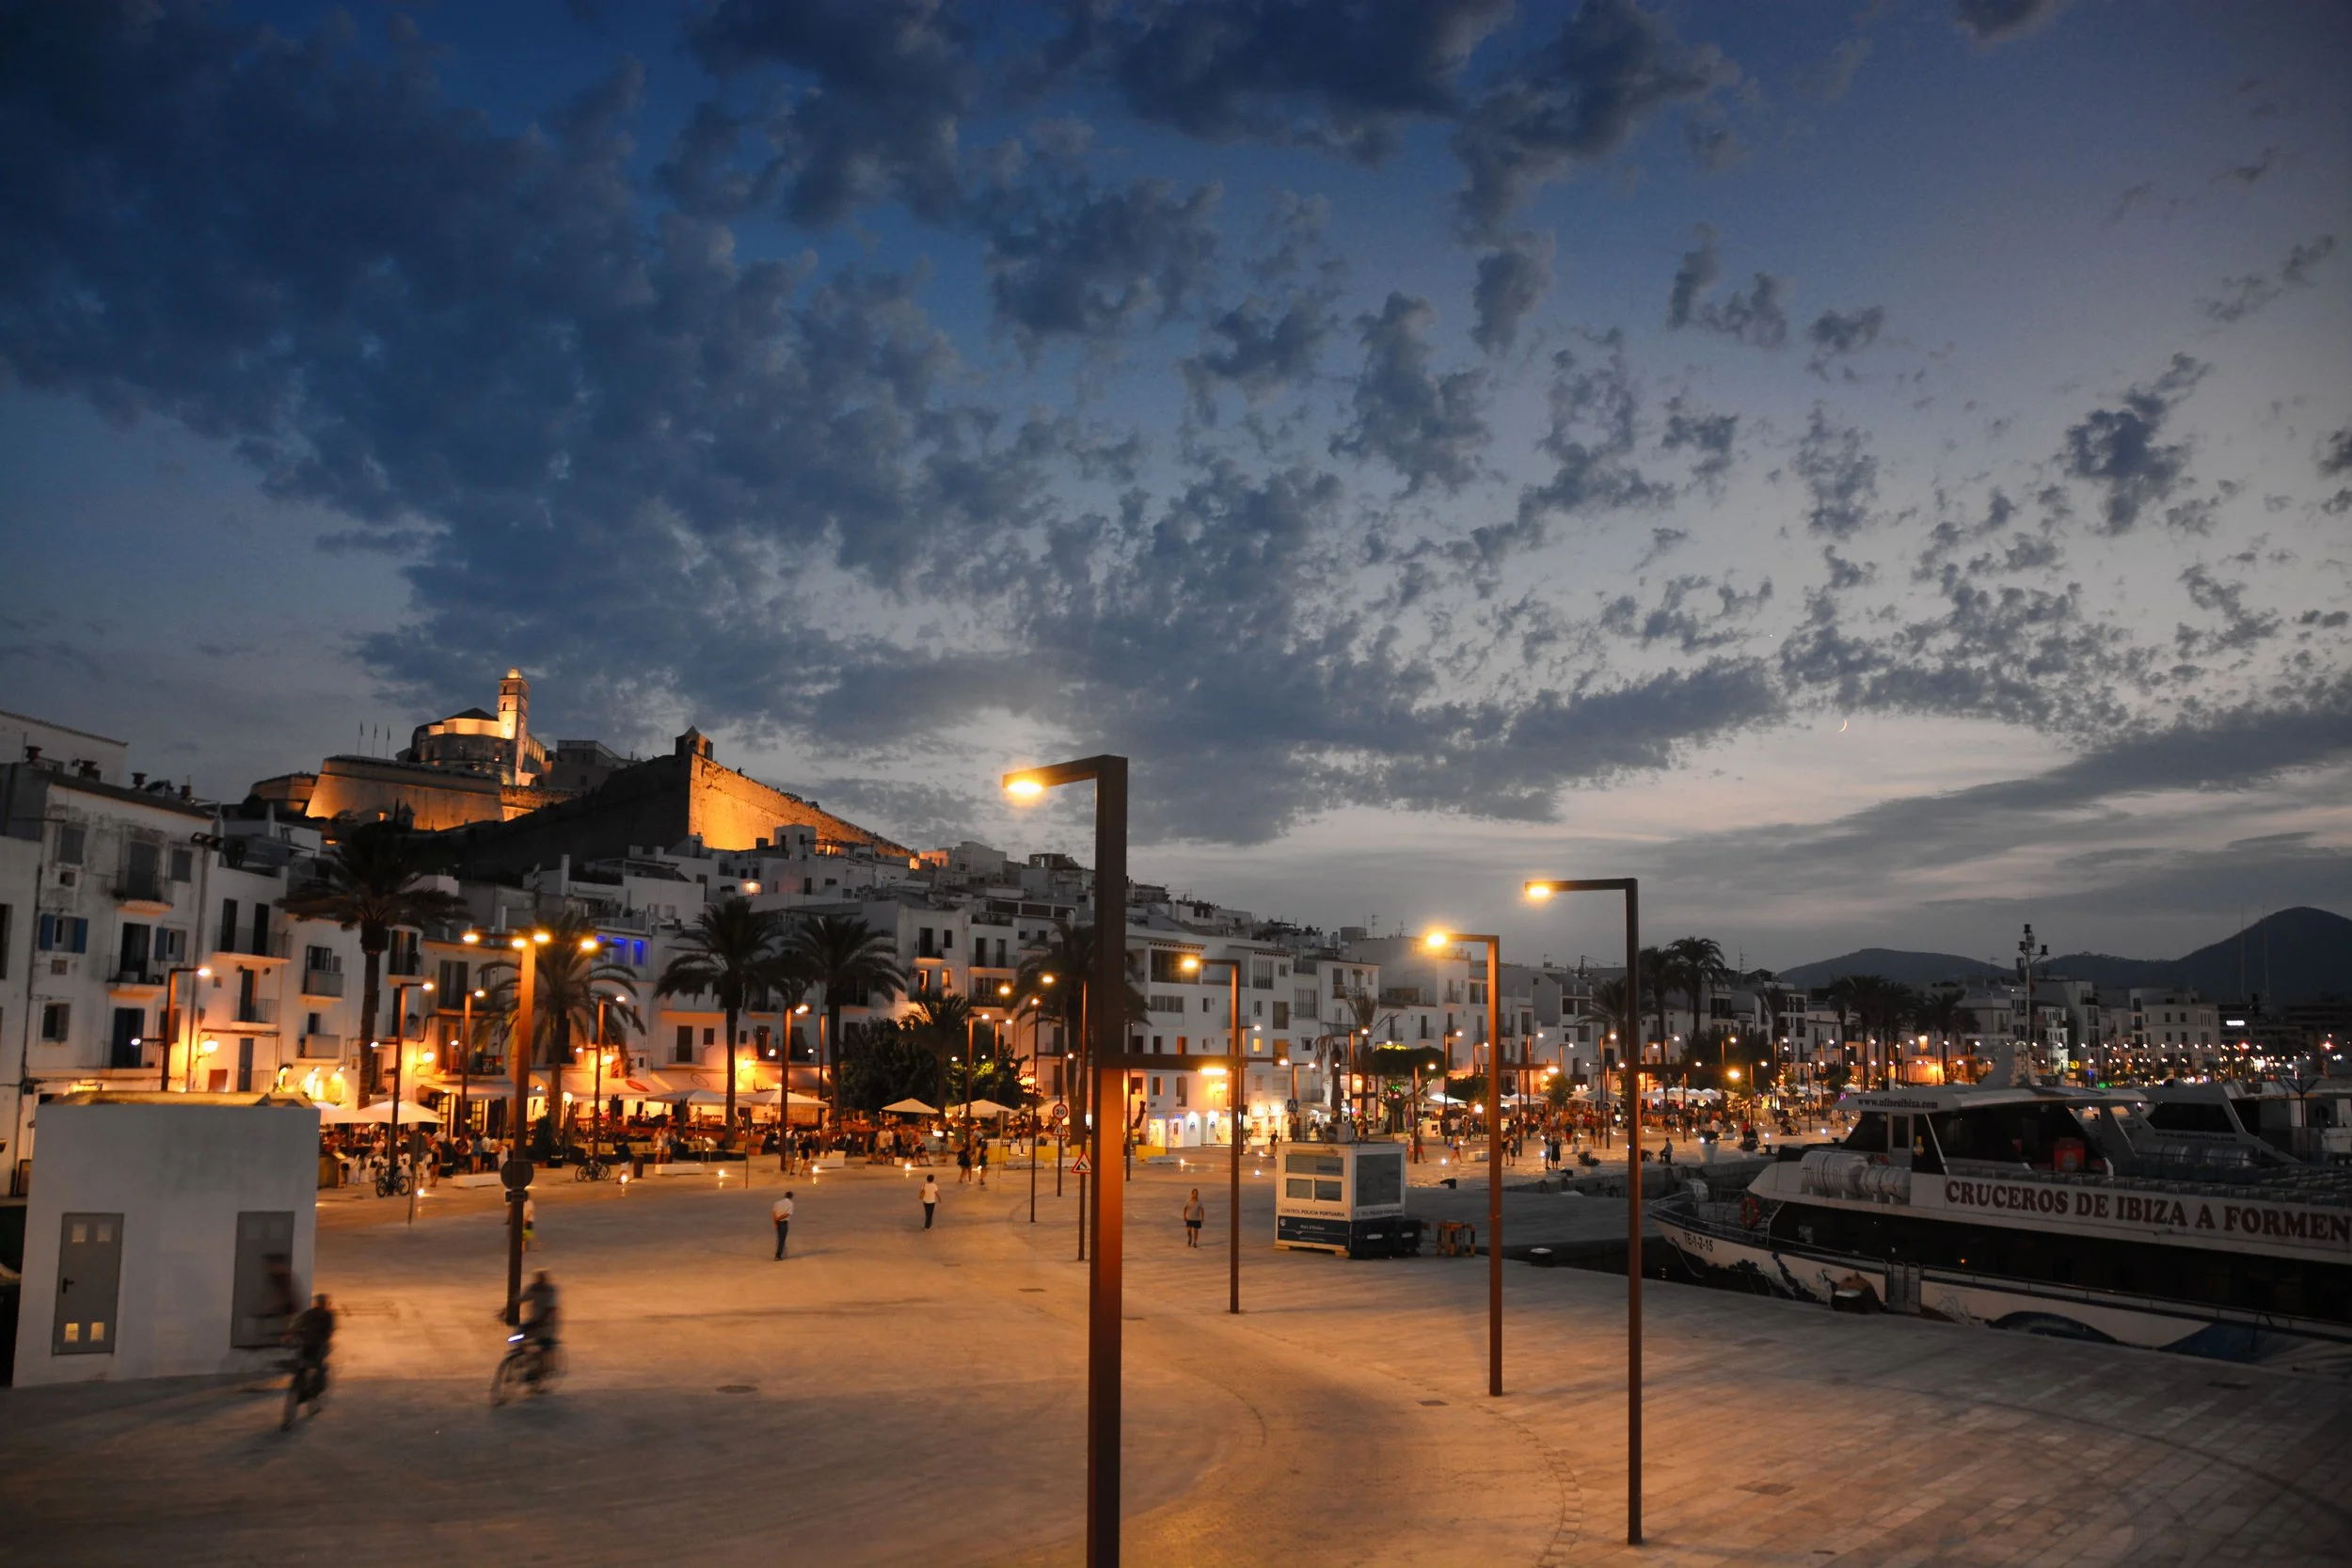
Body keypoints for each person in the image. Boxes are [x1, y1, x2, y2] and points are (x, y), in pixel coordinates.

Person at [519, 1271, 561, 1353]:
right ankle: (521, 1351)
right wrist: (505, 1310)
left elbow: (550, 1308)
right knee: (519, 1334)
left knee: (544, 1343)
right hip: (535, 1319)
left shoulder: (551, 1291)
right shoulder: (533, 1288)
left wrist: (540, 1322)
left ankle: (544, 1361)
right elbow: (521, 1299)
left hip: (548, 1323)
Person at [772, 1189, 795, 1259]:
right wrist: (779, 1218)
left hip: (777, 1222)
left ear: (785, 1196)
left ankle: (779, 1253)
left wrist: (775, 1222)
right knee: (782, 1239)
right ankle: (778, 1255)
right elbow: (787, 1214)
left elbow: (773, 1212)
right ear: (791, 1197)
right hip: (783, 1223)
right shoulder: (790, 1204)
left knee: (779, 1238)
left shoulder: (777, 1202)